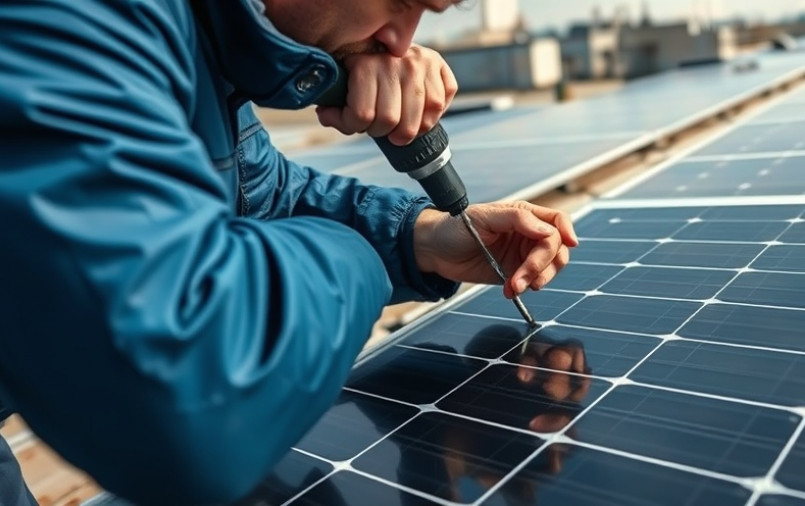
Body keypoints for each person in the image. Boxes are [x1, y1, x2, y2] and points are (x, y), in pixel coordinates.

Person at [0, 0, 577, 504]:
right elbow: (189, 402)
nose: (404, 43)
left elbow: (258, 190)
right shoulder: (79, 19)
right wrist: (358, 258)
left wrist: (417, 238)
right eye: (402, 3)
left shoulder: (201, 35)